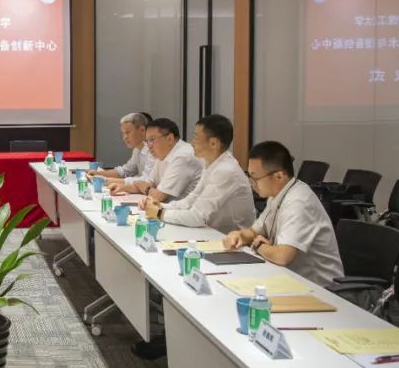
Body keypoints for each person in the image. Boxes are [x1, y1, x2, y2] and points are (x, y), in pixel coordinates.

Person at [223, 140, 344, 287]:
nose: (251, 183)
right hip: (289, 280)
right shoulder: (276, 195)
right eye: (250, 176)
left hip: (320, 289)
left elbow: (282, 256)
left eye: (255, 178)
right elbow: (255, 232)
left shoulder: (299, 202)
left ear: (279, 176)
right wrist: (239, 236)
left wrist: (258, 245)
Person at [140, 114, 256, 233]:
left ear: (213, 143)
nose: (192, 142)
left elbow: (197, 217)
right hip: (213, 232)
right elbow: (191, 200)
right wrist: (160, 206)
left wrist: (159, 213)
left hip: (232, 238)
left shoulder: (225, 171)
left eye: (196, 137)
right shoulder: (211, 163)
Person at [122, 118, 203, 202]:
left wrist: (143, 187)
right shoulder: (162, 153)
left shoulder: (183, 156)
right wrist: (121, 188)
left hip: (186, 209)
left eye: (152, 140)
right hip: (171, 206)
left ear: (170, 139)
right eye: (147, 141)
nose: (149, 145)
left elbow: (159, 196)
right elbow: (150, 182)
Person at [90, 112, 155, 188]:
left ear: (142, 130)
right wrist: (98, 174)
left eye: (128, 132)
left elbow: (146, 181)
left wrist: (107, 180)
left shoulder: (153, 150)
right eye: (123, 133)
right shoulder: (137, 149)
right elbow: (126, 171)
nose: (125, 137)